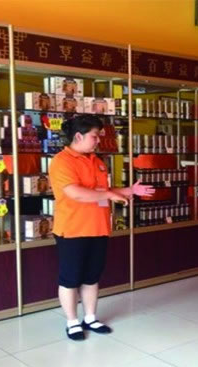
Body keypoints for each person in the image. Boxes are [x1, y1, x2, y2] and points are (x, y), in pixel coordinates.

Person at [49, 115, 154, 341]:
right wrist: (109, 195)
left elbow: (103, 190)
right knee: (70, 278)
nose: (98, 141)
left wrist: (130, 191)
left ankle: (90, 317)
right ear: (79, 136)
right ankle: (72, 321)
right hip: (73, 229)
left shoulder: (96, 160)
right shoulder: (62, 161)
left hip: (98, 227)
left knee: (92, 277)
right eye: (94, 136)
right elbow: (75, 192)